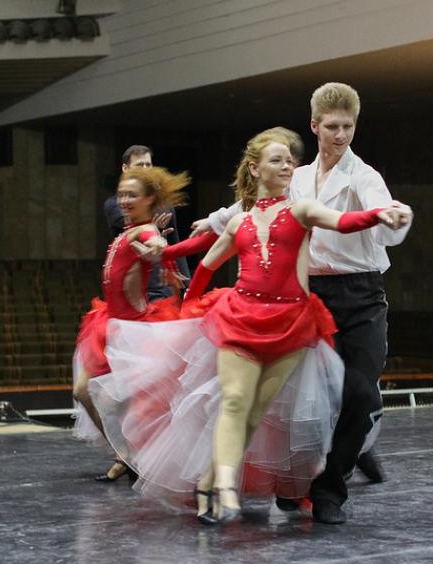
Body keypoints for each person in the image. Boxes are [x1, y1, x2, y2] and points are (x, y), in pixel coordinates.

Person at [89, 130, 410, 525]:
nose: (289, 164)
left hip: (291, 322)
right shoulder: (241, 215)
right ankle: (223, 484)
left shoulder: (302, 208)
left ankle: (216, 478)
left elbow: (344, 221)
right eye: (278, 159)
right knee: (236, 402)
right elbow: (205, 255)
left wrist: (380, 214)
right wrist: (181, 294)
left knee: (257, 410)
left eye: (290, 159)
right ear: (256, 168)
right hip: (242, 314)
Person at [190, 83, 413, 523]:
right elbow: (254, 206)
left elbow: (377, 213)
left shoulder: (364, 176)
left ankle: (331, 488)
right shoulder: (301, 175)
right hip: (310, 297)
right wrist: (210, 223)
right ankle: (297, 486)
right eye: (332, 126)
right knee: (303, 401)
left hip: (361, 295)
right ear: (315, 126)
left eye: (348, 127)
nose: (340, 135)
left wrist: (392, 215)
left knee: (360, 391)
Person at [72, 166, 189, 482]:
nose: (123, 200)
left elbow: (156, 246)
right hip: (107, 324)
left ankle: (138, 458)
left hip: (133, 332)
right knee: (83, 392)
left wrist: (157, 249)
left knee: (119, 402)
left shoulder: (144, 231)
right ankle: (125, 455)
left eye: (131, 195)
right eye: (121, 194)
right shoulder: (126, 231)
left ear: (149, 199)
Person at [104, 145, 191, 299]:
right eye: (139, 165)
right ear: (125, 168)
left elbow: (174, 243)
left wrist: (187, 283)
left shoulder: (165, 206)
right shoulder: (115, 204)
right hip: (132, 285)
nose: (145, 169)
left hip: (162, 285)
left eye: (148, 165)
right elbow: (132, 228)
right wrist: (154, 228)